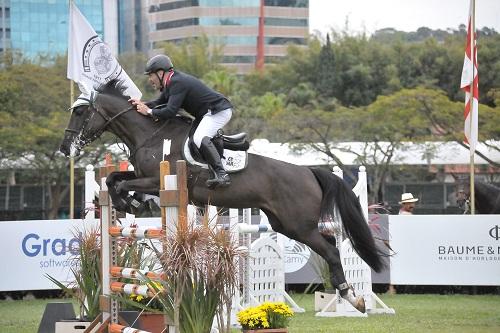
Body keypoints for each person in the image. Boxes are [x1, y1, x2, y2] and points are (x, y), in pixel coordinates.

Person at [129, 54, 233, 188]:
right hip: (206, 114)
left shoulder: (177, 82)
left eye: (151, 75)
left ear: (160, 73)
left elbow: (170, 111)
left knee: (199, 138)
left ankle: (222, 174)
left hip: (217, 111)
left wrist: (148, 111)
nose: (150, 79)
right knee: (191, 139)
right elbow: (159, 103)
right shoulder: (172, 82)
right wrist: (141, 104)